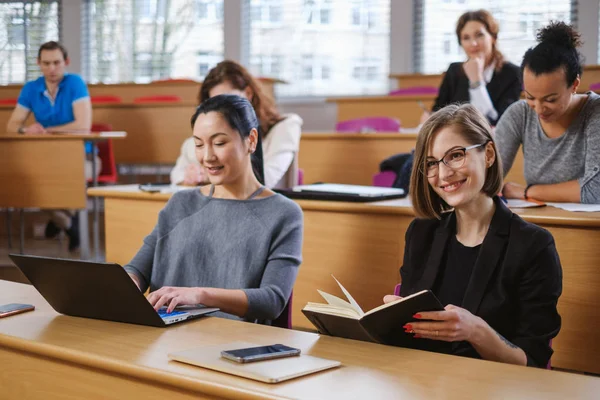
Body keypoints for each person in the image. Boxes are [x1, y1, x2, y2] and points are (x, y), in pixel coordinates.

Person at [384, 104, 562, 368]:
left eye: (456, 156)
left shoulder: (533, 245)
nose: (443, 174)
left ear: (488, 154)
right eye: (431, 163)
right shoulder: (421, 232)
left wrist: (475, 331)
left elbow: (533, 363)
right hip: (423, 382)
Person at [126, 94, 303, 323]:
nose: (207, 156)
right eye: (199, 144)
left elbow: (272, 300)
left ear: (251, 140)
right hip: (164, 337)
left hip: (234, 346)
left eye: (219, 143)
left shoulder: (284, 214)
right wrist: (127, 282)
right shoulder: (180, 204)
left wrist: (200, 295)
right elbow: (137, 270)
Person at [6, 41, 97, 251]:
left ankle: (59, 221)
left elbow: (83, 126)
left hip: (83, 157)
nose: (52, 68)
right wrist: (25, 130)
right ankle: (67, 223)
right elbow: (12, 126)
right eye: (46, 63)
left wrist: (48, 131)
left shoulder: (75, 83)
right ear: (38, 63)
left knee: (71, 181)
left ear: (66, 62)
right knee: (33, 187)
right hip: (45, 159)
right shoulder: (31, 88)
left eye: (56, 62)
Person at [496, 22, 600, 204]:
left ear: (574, 85)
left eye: (550, 99)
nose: (539, 108)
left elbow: (595, 191)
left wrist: (527, 192)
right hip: (536, 221)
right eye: (530, 97)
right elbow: (487, 177)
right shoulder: (519, 114)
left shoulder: (595, 113)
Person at [170, 60, 302, 189]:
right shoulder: (194, 143)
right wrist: (189, 176)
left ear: (248, 94)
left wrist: (207, 176)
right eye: (215, 104)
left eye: (229, 102)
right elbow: (177, 175)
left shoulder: (285, 127)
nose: (222, 112)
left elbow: (264, 180)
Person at [425, 10, 521, 126]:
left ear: (493, 37)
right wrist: (430, 117)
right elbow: (438, 110)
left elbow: (500, 122)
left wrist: (476, 82)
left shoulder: (512, 73)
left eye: (479, 35)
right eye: (466, 38)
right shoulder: (454, 71)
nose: (473, 43)